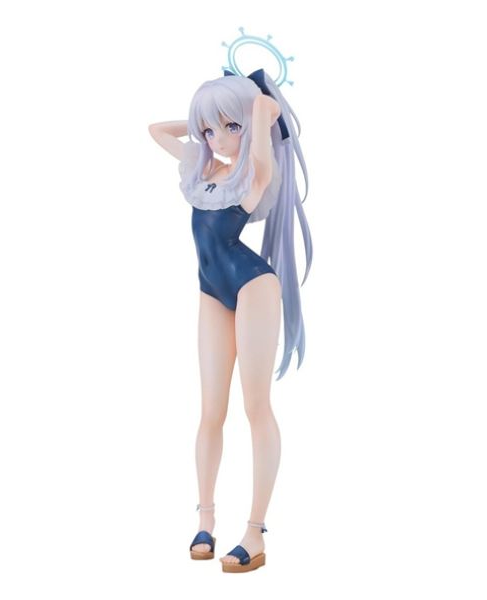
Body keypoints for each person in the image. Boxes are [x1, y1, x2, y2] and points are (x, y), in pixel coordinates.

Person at [148, 68, 313, 573]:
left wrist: (255, 110)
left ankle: (255, 532)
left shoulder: (252, 174)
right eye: (209, 130)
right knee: (210, 411)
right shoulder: (201, 169)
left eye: (229, 127)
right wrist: (208, 119)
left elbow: (263, 120)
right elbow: (156, 130)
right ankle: (205, 520)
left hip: (251, 285)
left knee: (255, 406)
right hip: (210, 292)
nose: (217, 139)